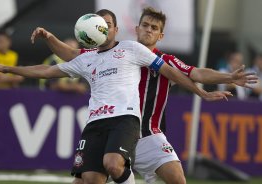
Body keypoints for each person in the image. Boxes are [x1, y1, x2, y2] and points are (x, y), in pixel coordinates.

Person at [29, 9, 257, 184]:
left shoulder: (164, 60)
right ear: (136, 29)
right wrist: (49, 37)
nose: (148, 30)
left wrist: (228, 78)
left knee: (178, 179)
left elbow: (196, 72)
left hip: (147, 134)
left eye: (154, 27)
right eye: (145, 25)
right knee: (85, 180)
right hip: (112, 129)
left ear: (160, 34)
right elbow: (70, 54)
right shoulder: (115, 52)